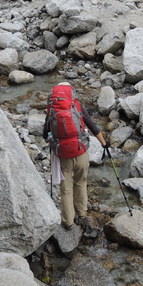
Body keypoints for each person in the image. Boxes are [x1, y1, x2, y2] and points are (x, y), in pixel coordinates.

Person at [44, 82, 107, 230]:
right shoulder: (78, 107)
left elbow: (45, 135)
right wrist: (104, 144)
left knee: (65, 189)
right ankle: (82, 213)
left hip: (63, 154)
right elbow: (93, 127)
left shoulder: (51, 111)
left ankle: (68, 222)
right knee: (80, 182)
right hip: (80, 151)